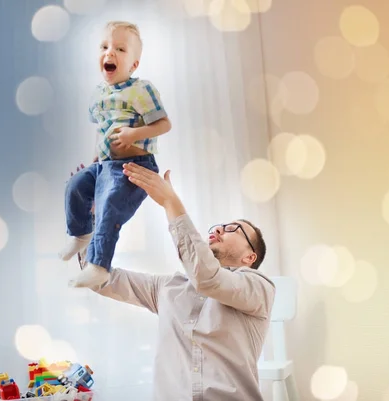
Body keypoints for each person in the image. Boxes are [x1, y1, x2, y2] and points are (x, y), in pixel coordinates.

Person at [75, 162, 276, 401]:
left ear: (249, 257)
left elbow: (208, 278)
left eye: (233, 229)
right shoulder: (169, 288)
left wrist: (171, 202)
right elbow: (99, 278)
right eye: (218, 226)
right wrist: (91, 217)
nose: (220, 230)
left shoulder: (259, 288)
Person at [59, 20, 172, 289]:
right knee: (74, 186)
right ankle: (80, 232)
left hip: (135, 165)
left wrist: (133, 135)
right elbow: (101, 131)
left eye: (120, 49)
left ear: (133, 65)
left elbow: (164, 124)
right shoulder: (98, 93)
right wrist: (95, 162)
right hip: (105, 164)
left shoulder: (142, 89)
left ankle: (99, 266)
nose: (110, 53)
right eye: (105, 47)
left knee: (110, 206)